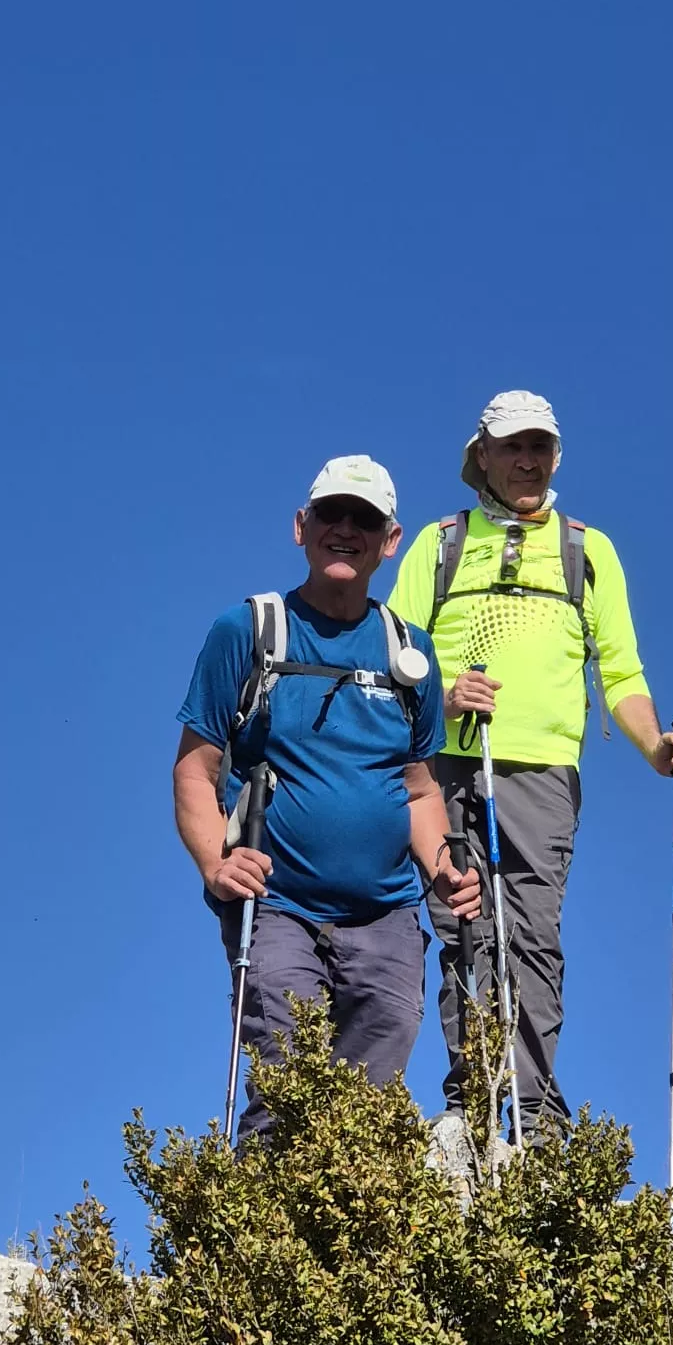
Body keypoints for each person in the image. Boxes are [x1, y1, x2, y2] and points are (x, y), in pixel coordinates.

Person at [387, 391, 673, 1136]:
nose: (526, 460)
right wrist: (445, 696)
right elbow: (392, 654)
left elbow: (621, 670)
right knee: (460, 922)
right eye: (512, 446)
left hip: (544, 768)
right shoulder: (440, 542)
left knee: (532, 934)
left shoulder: (588, 549)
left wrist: (656, 748)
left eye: (539, 448)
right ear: (481, 455)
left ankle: (533, 1109)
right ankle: (471, 1097)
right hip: (445, 762)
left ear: (555, 457)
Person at [173, 456, 481, 1144]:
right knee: (285, 1081)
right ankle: (257, 1243)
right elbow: (196, 770)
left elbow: (419, 788)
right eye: (331, 515)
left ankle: (340, 1251)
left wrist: (443, 871)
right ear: (301, 527)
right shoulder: (249, 630)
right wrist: (213, 867)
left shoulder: (412, 653)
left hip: (388, 917)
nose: (346, 530)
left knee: (365, 1115)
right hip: (276, 903)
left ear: (390, 539)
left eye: (364, 520)